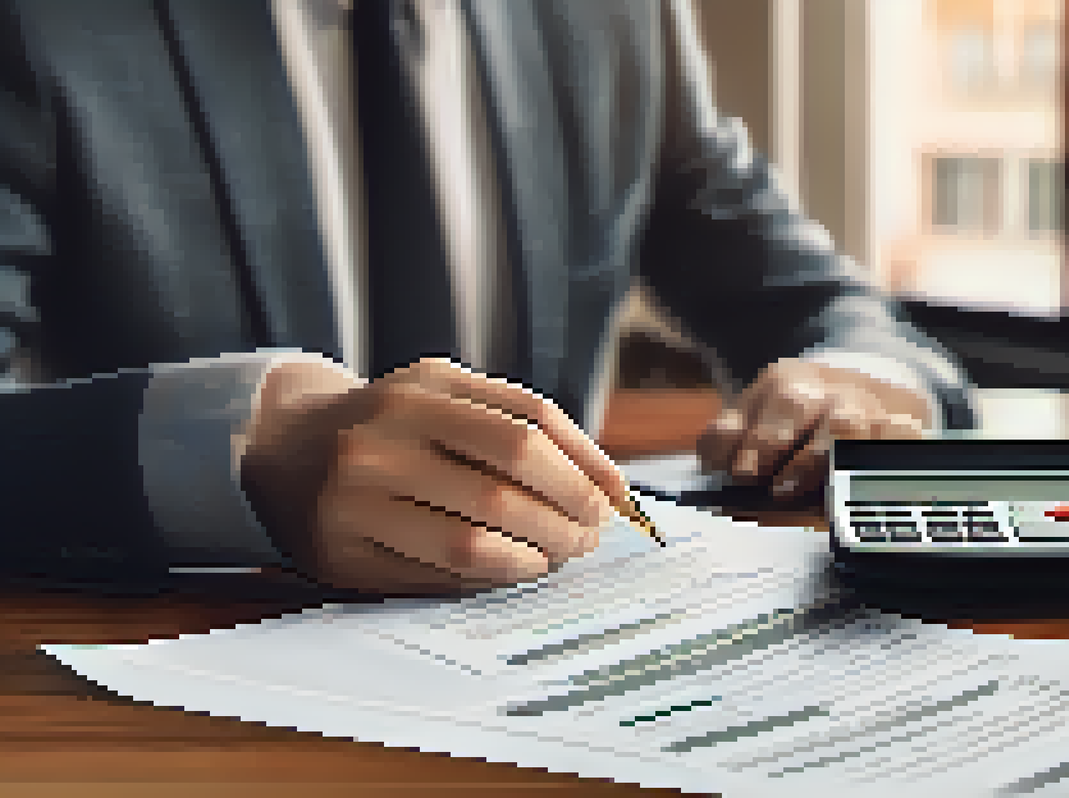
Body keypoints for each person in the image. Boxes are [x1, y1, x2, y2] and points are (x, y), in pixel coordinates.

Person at [0, 0, 977, 596]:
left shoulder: (613, 18)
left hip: (549, 669)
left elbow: (822, 302)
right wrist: (243, 453)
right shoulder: (39, 27)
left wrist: (857, 380)